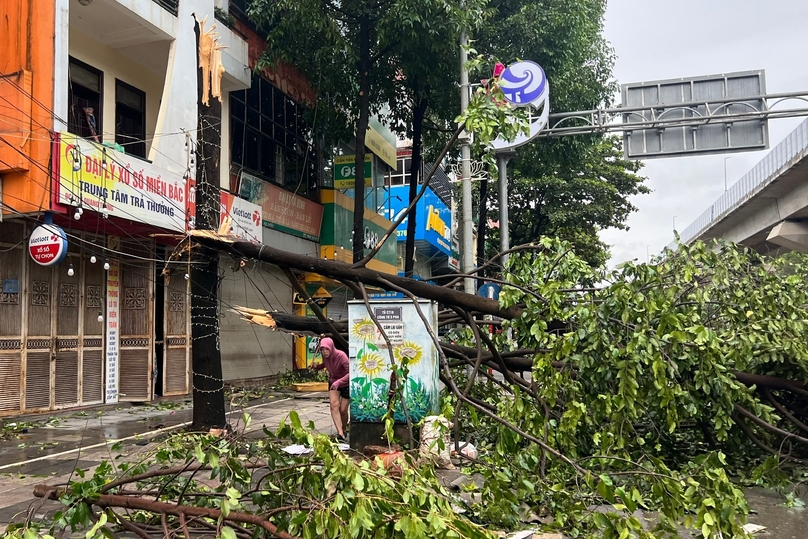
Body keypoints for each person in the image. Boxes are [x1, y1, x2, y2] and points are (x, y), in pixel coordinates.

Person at [311, 337, 350, 442]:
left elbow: (350, 373)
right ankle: (340, 433)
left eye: (327, 349)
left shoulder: (341, 356)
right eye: (322, 350)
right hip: (333, 382)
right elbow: (327, 364)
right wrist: (317, 367)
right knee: (333, 405)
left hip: (346, 383)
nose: (324, 352)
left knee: (343, 410)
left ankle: (344, 429)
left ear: (331, 348)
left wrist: (339, 382)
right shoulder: (326, 357)